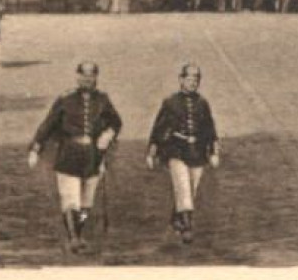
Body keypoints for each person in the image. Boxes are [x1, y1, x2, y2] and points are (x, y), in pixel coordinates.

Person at [28, 61, 123, 253]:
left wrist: (108, 135)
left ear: (96, 77)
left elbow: (116, 122)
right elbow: (47, 126)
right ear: (77, 76)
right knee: (71, 200)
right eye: (84, 75)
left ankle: (78, 233)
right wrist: (35, 149)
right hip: (68, 155)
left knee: (87, 203)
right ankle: (73, 238)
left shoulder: (103, 100)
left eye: (92, 75)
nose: (88, 79)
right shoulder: (65, 99)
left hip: (93, 157)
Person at [146, 63, 220, 244]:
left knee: (190, 190)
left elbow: (210, 130)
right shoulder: (170, 102)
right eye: (189, 79)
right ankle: (187, 228)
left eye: (196, 79)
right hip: (175, 151)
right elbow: (158, 129)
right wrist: (151, 153)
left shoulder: (203, 103)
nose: (193, 82)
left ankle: (176, 220)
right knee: (183, 187)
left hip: (198, 153)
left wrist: (214, 152)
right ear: (181, 79)